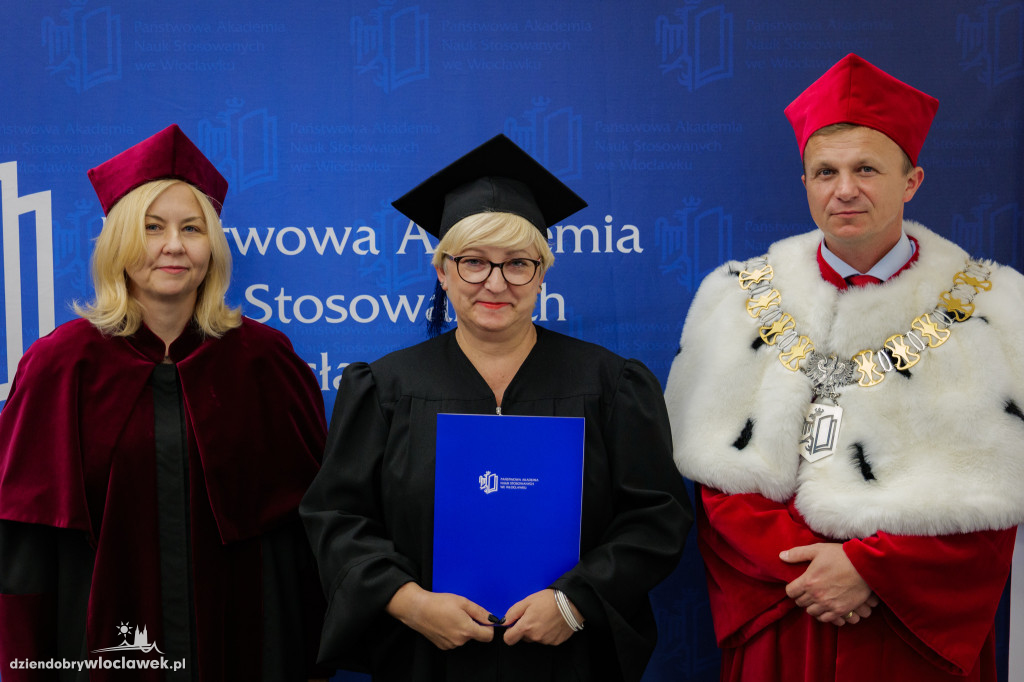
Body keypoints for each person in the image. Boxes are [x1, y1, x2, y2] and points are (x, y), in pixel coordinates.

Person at [664, 53, 1024, 681]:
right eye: (825, 172)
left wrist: (872, 570)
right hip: (785, 611)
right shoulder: (738, 299)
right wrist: (811, 571)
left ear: (911, 181)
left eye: (867, 169)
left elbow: (998, 488)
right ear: (804, 181)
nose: (845, 190)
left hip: (910, 625)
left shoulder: (996, 307)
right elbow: (718, 485)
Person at [300, 134, 693, 681]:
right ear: (442, 271)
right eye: (473, 262)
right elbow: (338, 518)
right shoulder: (385, 388)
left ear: (542, 273)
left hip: (567, 659)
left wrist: (575, 602)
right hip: (426, 656)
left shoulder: (609, 385)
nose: (495, 282)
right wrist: (410, 603)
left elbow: (656, 518)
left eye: (517, 264)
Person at [0, 125, 330, 681]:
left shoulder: (264, 362)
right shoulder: (61, 366)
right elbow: (26, 539)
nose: (173, 245)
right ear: (119, 243)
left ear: (212, 247)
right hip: (97, 646)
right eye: (152, 227)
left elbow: (304, 533)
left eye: (191, 228)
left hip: (243, 646)